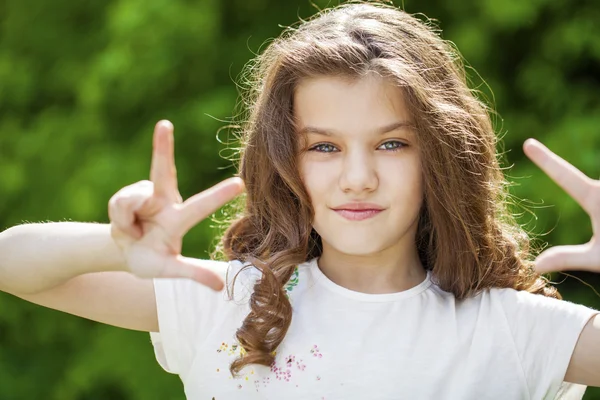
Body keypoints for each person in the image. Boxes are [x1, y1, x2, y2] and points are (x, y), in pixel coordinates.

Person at [0, 2, 599, 399]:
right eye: (324, 148)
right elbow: (11, 263)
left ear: (439, 157)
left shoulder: (515, 330)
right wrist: (114, 245)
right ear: (284, 161)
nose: (358, 178)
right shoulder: (226, 303)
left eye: (391, 144)